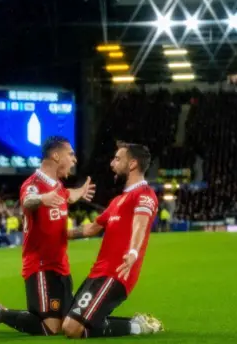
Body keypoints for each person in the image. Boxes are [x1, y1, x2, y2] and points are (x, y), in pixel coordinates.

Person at [0, 136, 96, 337]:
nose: (74, 160)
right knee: (50, 327)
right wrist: (42, 199)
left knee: (68, 324)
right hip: (40, 266)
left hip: (61, 266)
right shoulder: (33, 184)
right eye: (70, 154)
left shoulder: (59, 188)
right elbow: (28, 200)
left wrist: (80, 192)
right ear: (56, 156)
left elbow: (68, 195)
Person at [62, 142, 164, 338]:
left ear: (133, 164)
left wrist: (133, 252)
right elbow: (92, 228)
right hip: (97, 273)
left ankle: (140, 327)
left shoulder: (145, 195)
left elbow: (140, 225)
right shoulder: (117, 201)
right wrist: (56, 234)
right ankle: (135, 323)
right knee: (67, 322)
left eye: (118, 159)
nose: (112, 164)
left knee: (72, 329)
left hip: (116, 274)